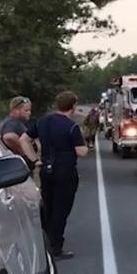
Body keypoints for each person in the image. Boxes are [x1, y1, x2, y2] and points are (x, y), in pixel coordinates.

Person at [21, 91, 89, 259]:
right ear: (73, 106)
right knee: (61, 209)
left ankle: (45, 241)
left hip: (46, 169)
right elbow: (81, 152)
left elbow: (24, 139)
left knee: (49, 206)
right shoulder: (71, 127)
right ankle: (55, 247)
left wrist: (34, 159)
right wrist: (86, 145)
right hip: (65, 172)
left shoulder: (43, 122)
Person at [0, 96, 33, 161]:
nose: (29, 113)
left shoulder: (7, 122)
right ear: (15, 110)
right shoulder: (12, 123)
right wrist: (24, 152)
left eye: (30, 110)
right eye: (26, 110)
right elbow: (9, 137)